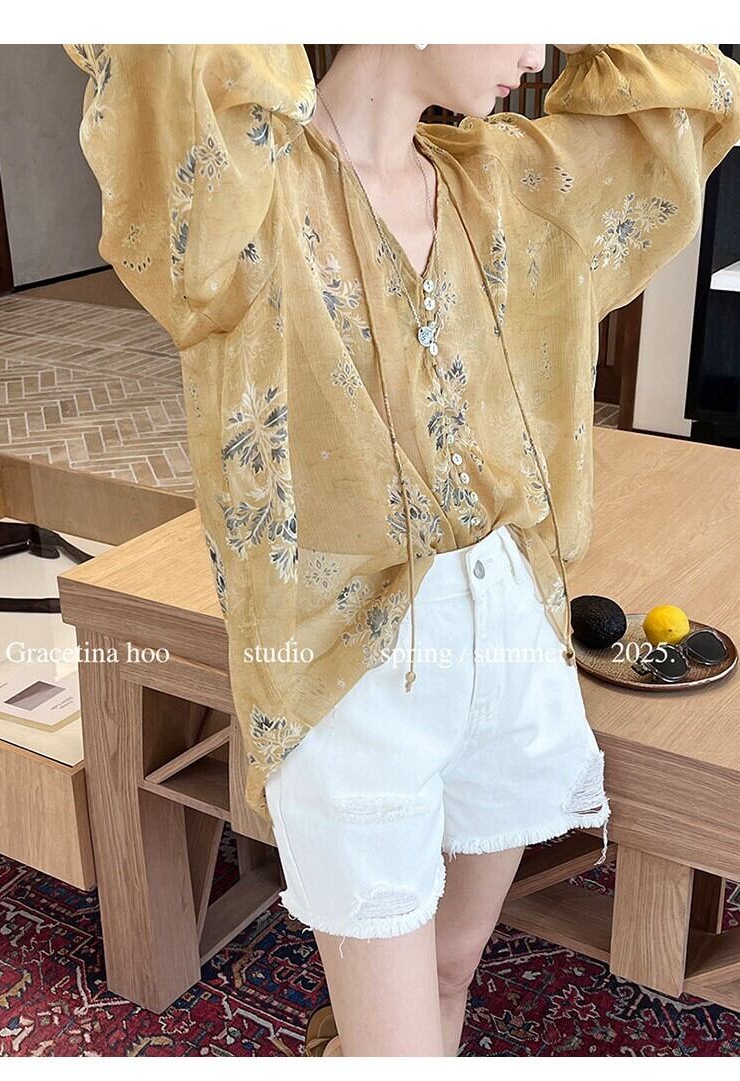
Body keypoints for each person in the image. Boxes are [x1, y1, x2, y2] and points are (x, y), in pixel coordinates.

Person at [64, 42, 740, 1056]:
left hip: (511, 639)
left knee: (450, 972)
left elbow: (688, 92)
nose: (536, 50)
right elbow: (165, 47)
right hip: (347, 680)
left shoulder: (511, 183)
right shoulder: (241, 191)